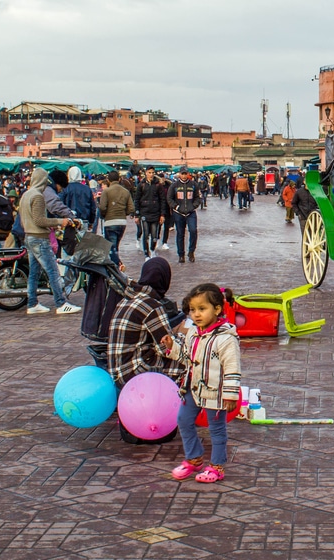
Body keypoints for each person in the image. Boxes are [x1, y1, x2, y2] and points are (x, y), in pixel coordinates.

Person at [162, 283, 241, 484]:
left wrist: (231, 394)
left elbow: (232, 368)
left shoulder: (226, 339)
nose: (196, 315)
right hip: (193, 387)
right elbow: (188, 358)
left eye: (202, 309)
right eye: (193, 310)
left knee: (216, 428)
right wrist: (173, 348)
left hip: (215, 392)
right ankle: (194, 458)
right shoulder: (193, 333)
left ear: (217, 309)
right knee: (184, 420)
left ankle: (217, 466)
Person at [106, 257, 184, 389]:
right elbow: (166, 348)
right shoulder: (152, 305)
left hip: (116, 371)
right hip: (133, 373)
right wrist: (184, 336)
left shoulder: (127, 297)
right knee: (189, 365)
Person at [18, 167, 80, 315]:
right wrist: (60, 221)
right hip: (39, 238)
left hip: (29, 237)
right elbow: (40, 220)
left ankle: (32, 303)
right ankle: (61, 303)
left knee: (34, 272)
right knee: (53, 271)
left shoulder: (26, 195)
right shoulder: (38, 196)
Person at [99, 171, 135, 269]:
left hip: (110, 222)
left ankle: (118, 265)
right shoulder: (125, 191)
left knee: (111, 248)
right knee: (115, 246)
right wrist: (124, 213)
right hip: (122, 222)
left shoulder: (106, 192)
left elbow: (102, 207)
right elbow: (131, 208)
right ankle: (115, 267)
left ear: (108, 180)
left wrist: (105, 214)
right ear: (119, 179)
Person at [167, 165, 200, 263]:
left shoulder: (193, 185)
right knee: (180, 234)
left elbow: (198, 197)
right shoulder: (174, 185)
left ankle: (191, 252)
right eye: (182, 174)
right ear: (179, 174)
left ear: (188, 174)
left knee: (193, 231)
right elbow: (169, 198)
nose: (184, 176)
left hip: (191, 213)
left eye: (186, 174)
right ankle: (181, 254)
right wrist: (176, 207)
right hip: (178, 213)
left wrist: (193, 206)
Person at [133, 167, 166, 259]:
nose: (151, 174)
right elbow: (137, 200)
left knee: (155, 235)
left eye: (152, 172)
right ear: (146, 173)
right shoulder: (141, 185)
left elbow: (162, 200)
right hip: (145, 212)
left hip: (155, 213)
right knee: (146, 234)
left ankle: (152, 249)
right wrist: (137, 214)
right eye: (149, 172)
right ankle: (146, 254)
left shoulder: (158, 185)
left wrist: (162, 214)